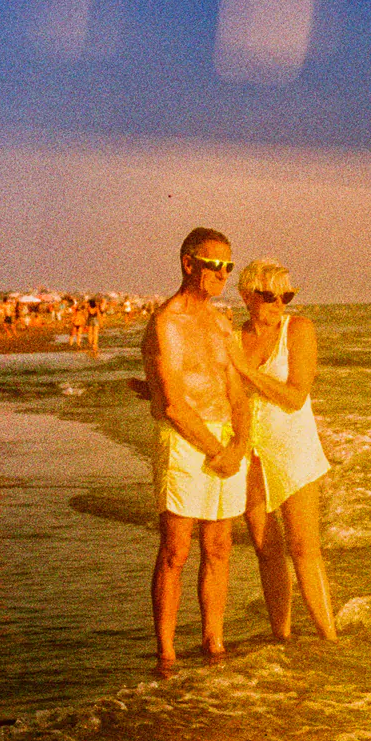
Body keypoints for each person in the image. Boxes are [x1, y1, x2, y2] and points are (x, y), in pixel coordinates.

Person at [141, 227, 251, 665]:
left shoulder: (221, 322)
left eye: (229, 266)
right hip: (186, 441)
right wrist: (213, 449)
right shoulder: (167, 322)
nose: (223, 274)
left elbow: (236, 389)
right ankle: (166, 651)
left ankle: (213, 640)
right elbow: (171, 402)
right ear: (189, 264)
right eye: (215, 265)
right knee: (176, 548)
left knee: (220, 545)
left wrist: (239, 442)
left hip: (224, 437)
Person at [229, 259, 337, 642]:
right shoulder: (233, 336)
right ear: (245, 296)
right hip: (248, 452)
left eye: (286, 295)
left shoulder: (299, 329)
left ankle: (329, 637)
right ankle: (282, 638)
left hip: (292, 450)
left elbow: (294, 396)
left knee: (304, 546)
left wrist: (247, 372)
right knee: (265, 548)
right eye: (270, 295)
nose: (280, 303)